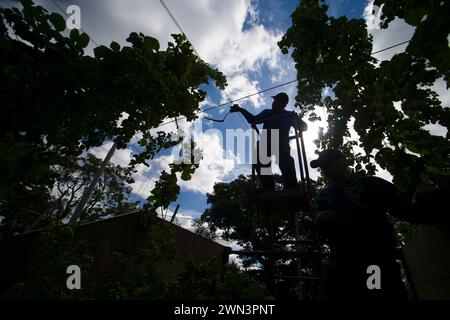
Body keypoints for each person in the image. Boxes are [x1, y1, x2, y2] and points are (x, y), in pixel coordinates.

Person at [310, 149, 410, 300]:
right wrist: (321, 222)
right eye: (323, 168)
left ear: (342, 162)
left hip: (374, 263)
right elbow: (323, 233)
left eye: (328, 165)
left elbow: (404, 208)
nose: (325, 171)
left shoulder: (371, 184)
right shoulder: (323, 196)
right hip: (341, 264)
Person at [230, 92, 307, 191]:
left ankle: (291, 185)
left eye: (277, 102)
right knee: (260, 158)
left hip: (281, 143)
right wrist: (241, 109)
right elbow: (253, 120)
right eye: (274, 101)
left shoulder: (289, 115)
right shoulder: (267, 113)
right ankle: (268, 186)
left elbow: (304, 128)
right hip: (266, 142)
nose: (274, 103)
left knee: (285, 160)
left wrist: (297, 119)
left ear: (283, 104)